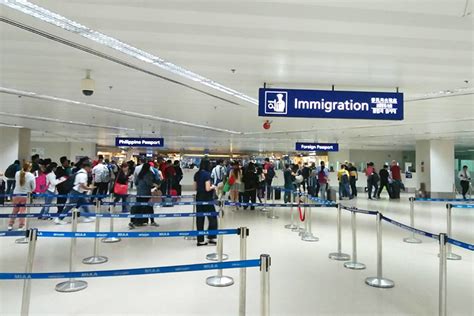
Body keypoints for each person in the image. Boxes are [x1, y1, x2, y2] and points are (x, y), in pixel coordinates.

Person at [193, 159, 218, 246]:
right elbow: (207, 188)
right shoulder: (207, 174)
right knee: (213, 218)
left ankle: (200, 240)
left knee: (200, 219)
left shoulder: (197, 174)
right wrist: (213, 186)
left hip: (199, 198)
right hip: (207, 199)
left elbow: (195, 187)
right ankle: (211, 237)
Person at [130, 162, 160, 228]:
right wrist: (154, 184)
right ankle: (152, 221)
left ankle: (133, 221)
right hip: (146, 193)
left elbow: (136, 182)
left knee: (138, 207)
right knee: (149, 207)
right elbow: (149, 182)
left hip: (139, 192)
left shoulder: (140, 173)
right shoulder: (149, 173)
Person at [8, 162, 35, 231]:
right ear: (29, 168)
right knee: (22, 211)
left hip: (16, 194)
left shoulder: (17, 173)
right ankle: (21, 226)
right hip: (25, 195)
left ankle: (10, 225)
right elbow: (33, 187)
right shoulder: (31, 175)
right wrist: (30, 190)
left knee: (15, 210)